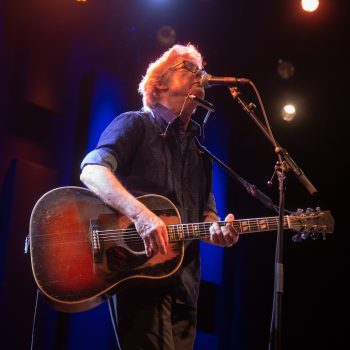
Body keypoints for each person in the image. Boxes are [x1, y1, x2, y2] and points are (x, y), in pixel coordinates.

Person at [80, 43, 239, 350]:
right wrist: (141, 215)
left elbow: (206, 217)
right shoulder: (135, 123)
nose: (200, 75)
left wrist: (219, 231)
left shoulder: (200, 152)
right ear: (159, 84)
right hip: (140, 275)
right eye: (188, 69)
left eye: (201, 70)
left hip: (186, 286)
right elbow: (92, 170)